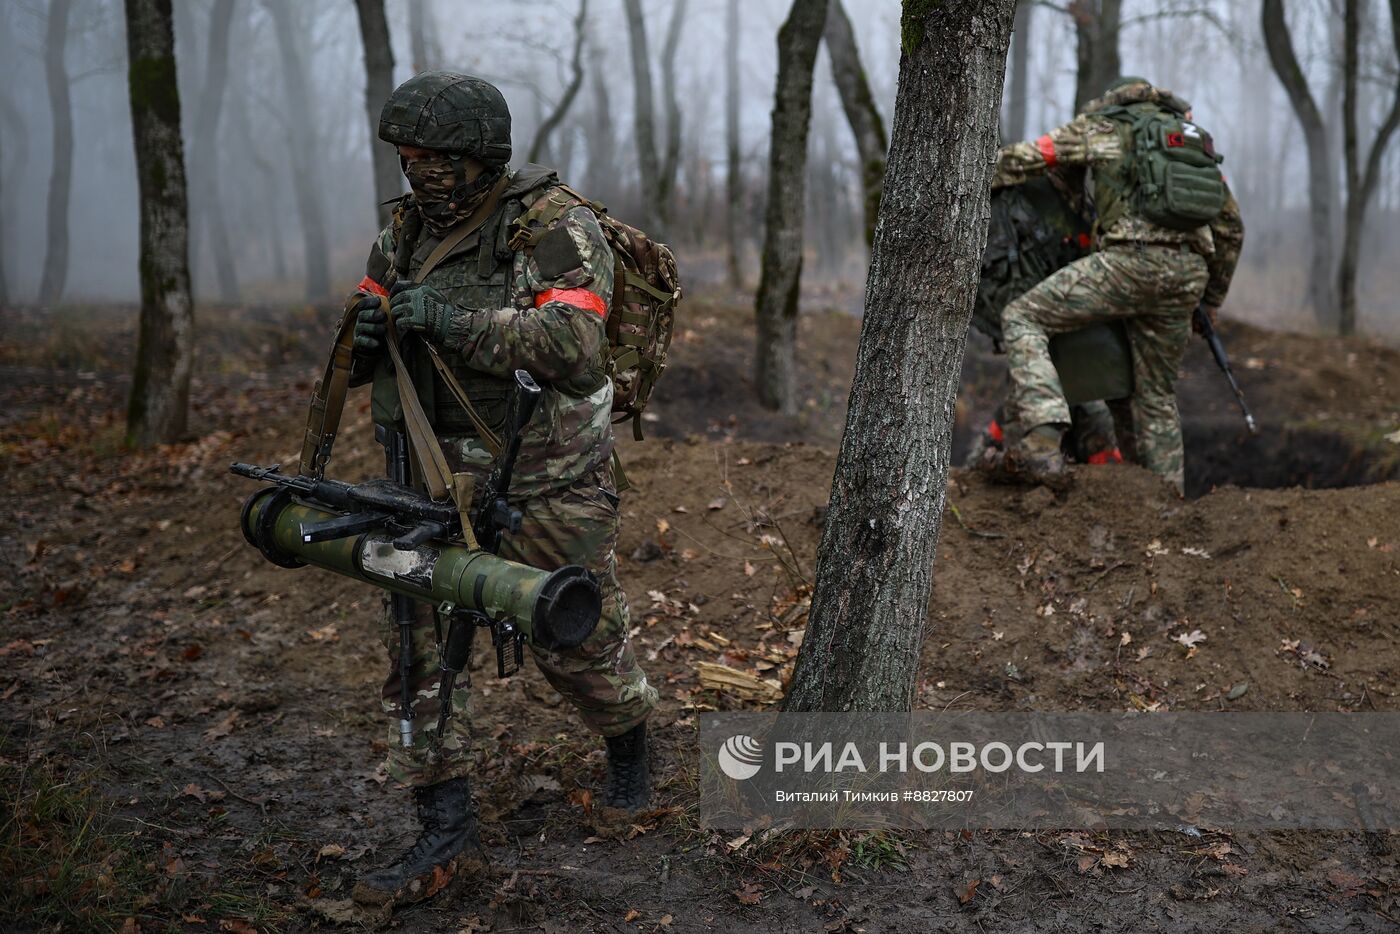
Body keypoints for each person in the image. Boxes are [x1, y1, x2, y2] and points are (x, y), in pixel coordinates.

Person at [344, 71, 658, 907]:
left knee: (574, 637)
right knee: (417, 653)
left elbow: (576, 344)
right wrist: (365, 334)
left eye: (438, 158)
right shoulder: (401, 236)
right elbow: (363, 343)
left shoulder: (555, 229)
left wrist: (452, 323)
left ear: (483, 156)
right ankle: (442, 823)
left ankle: (629, 739)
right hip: (425, 481)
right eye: (409, 158)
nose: (421, 174)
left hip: (545, 481)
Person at [991, 77, 1245, 493]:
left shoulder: (1106, 127)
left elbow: (1027, 158)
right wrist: (1211, 299)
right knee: (1157, 397)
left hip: (1129, 264)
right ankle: (1165, 502)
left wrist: (965, 178)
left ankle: (1043, 436)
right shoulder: (1189, 143)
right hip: (1186, 278)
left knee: (1022, 316)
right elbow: (1232, 229)